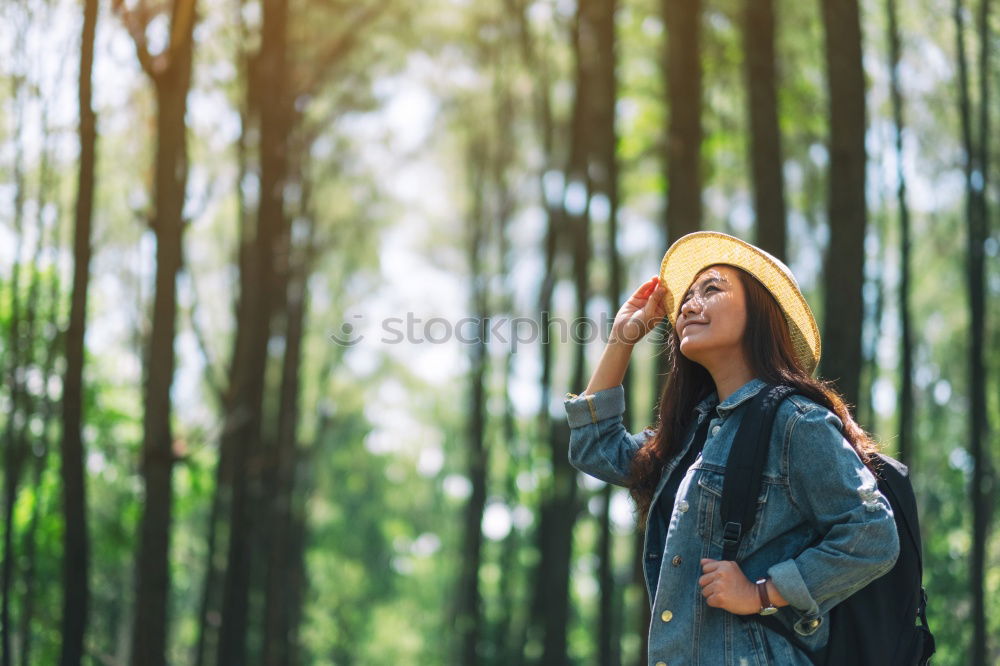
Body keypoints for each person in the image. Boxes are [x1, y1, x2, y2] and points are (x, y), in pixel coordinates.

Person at [563, 231, 900, 665]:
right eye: (686, 295)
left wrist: (762, 592)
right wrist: (623, 338)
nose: (687, 303)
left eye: (712, 288)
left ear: (759, 311)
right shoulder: (693, 432)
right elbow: (595, 448)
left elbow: (872, 533)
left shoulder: (796, 421)